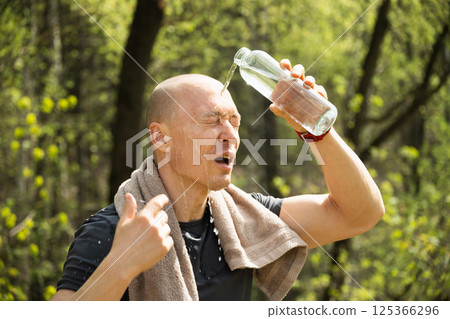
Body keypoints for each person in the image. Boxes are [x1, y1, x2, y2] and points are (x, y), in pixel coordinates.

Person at [51, 59, 384, 301]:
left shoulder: (247, 220)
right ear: (160, 139)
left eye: (234, 122)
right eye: (211, 121)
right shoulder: (113, 231)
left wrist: (318, 132)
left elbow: (358, 213)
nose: (230, 135)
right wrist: (120, 266)